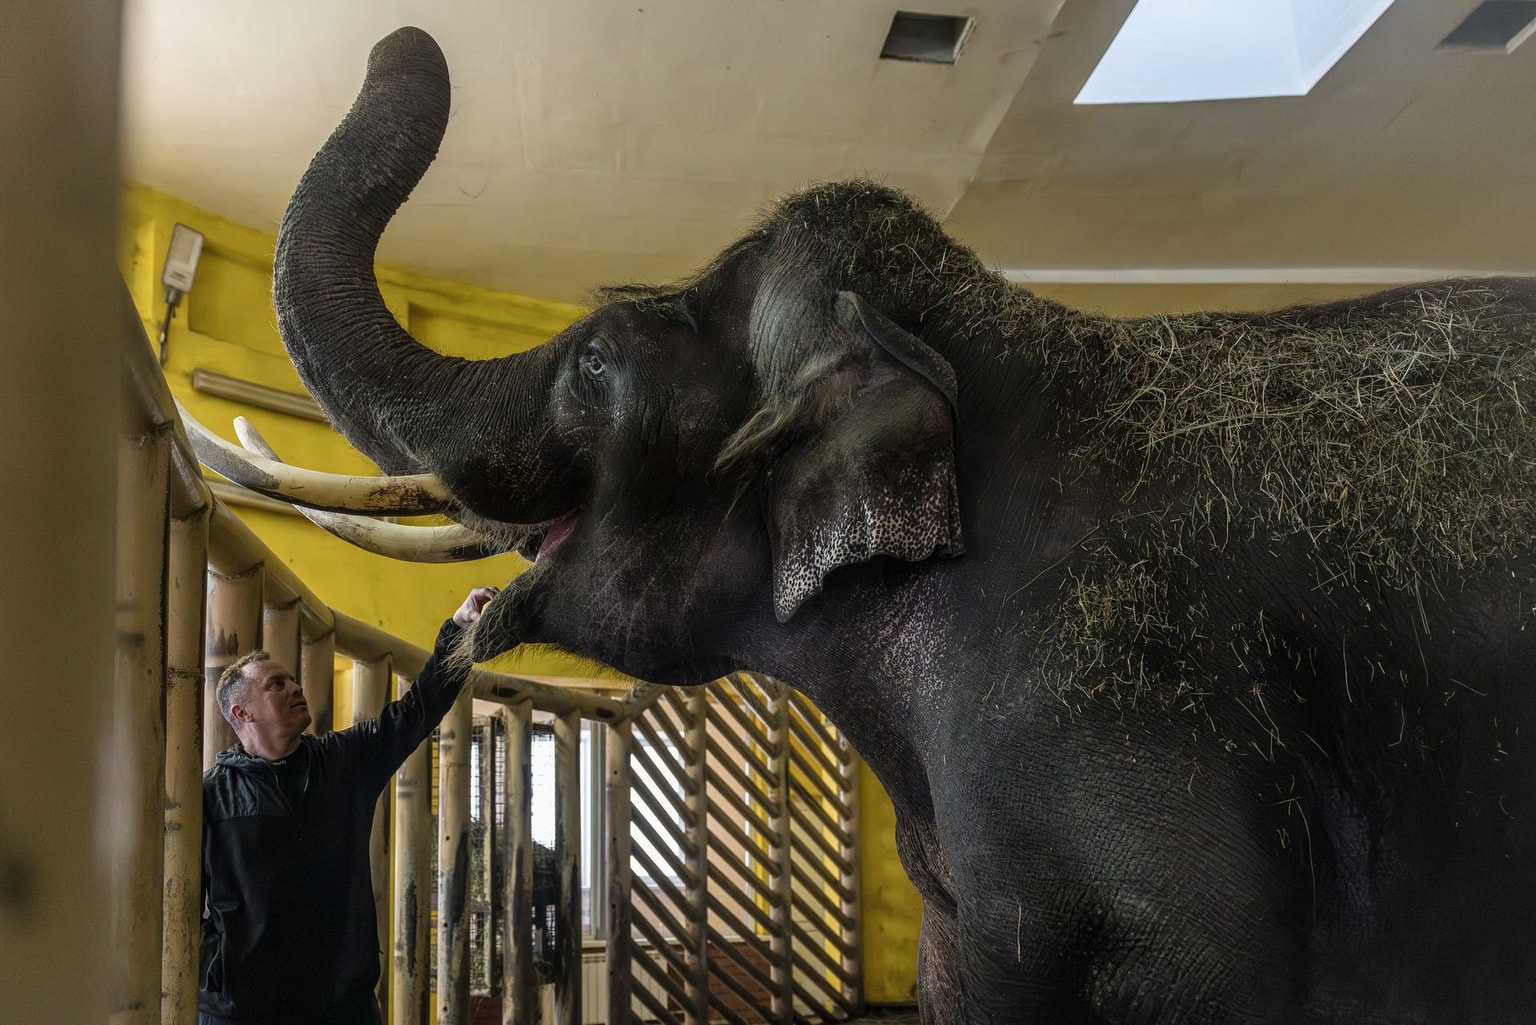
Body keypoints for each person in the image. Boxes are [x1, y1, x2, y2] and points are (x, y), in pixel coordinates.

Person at [198, 586, 499, 1025]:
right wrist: (220, 970)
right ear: (242, 713)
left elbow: (418, 710)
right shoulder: (211, 797)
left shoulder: (343, 762)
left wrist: (458, 630)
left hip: (341, 1005)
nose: (295, 687)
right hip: (244, 1013)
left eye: (292, 679)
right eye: (276, 684)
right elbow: (179, 902)